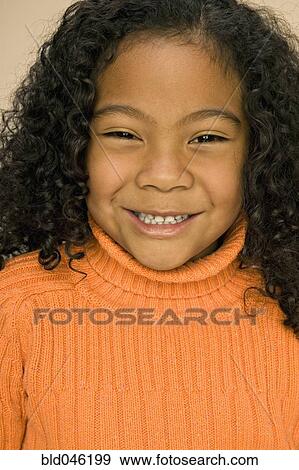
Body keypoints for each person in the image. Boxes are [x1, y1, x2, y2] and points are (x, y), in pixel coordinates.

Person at [0, 0, 298, 450]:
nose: (163, 175)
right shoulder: (16, 305)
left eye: (207, 137)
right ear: (72, 145)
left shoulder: (289, 300)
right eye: (123, 134)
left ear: (260, 154)